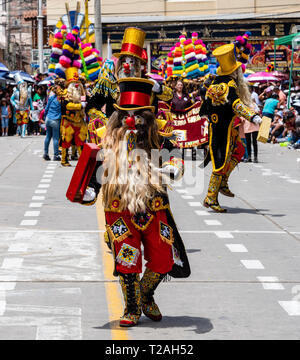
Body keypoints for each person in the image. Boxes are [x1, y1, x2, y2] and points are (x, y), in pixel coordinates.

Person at [67, 77, 190, 327]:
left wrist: (173, 167)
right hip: (119, 208)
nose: (131, 121)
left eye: (138, 115)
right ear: (117, 115)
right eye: (125, 114)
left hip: (153, 208)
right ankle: (132, 306)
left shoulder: (158, 139)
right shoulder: (107, 139)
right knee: (127, 257)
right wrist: (90, 189)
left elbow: (175, 155)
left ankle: (146, 294)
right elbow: (97, 168)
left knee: (164, 257)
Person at [200, 44, 262, 212]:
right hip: (222, 131)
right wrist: (252, 116)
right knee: (220, 163)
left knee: (239, 151)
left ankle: (223, 183)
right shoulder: (230, 85)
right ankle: (211, 197)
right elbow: (235, 104)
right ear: (234, 73)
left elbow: (204, 109)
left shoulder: (213, 85)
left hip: (223, 128)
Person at [43, 82, 62, 161]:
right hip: (56, 120)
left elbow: (46, 108)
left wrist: (45, 117)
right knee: (55, 138)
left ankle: (45, 153)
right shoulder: (61, 100)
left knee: (48, 136)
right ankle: (56, 155)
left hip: (48, 118)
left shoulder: (51, 98)